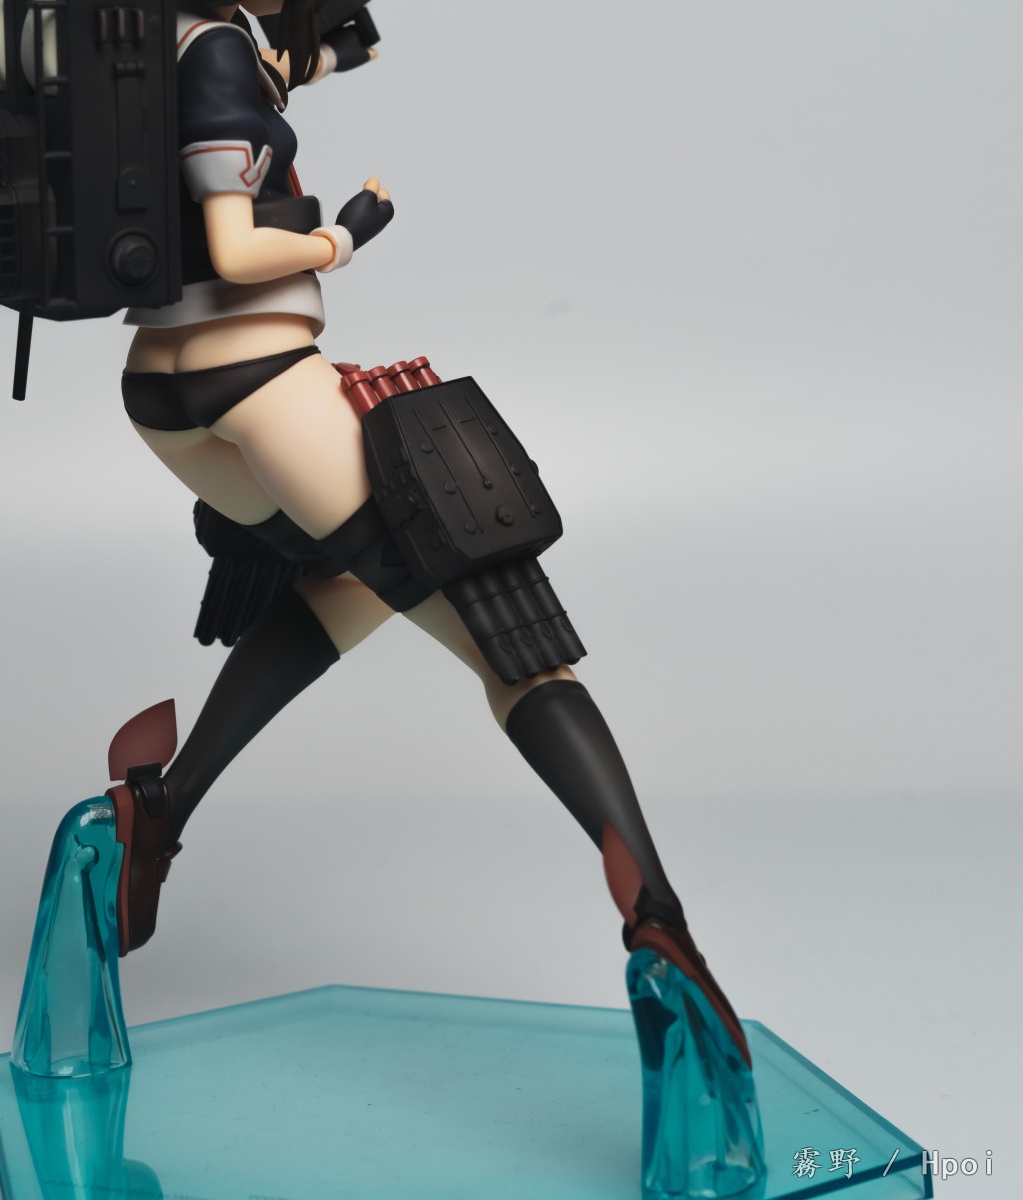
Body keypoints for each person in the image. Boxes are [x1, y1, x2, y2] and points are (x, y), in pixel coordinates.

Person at [104, 0, 753, 1070]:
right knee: (512, 646)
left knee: (348, 582)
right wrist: (345, 235)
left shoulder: (162, 50)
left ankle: (161, 809)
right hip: (256, 377)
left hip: (165, 399)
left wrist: (317, 59)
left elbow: (265, 90)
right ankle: (661, 924)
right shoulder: (217, 54)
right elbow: (231, 243)